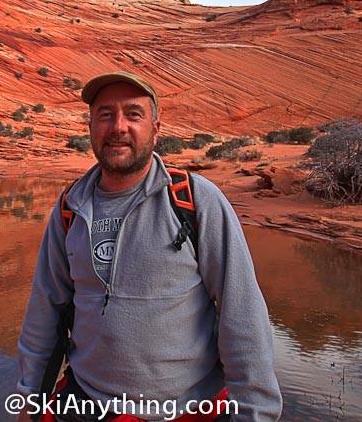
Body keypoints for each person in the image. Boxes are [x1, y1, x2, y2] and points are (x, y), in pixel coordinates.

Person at [16, 72, 282, 421]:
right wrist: (28, 399)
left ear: (156, 129)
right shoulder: (70, 207)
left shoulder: (194, 200)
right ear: (91, 127)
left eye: (133, 114)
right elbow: (45, 310)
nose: (118, 127)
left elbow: (242, 312)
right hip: (84, 403)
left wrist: (255, 413)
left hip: (185, 410)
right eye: (106, 114)